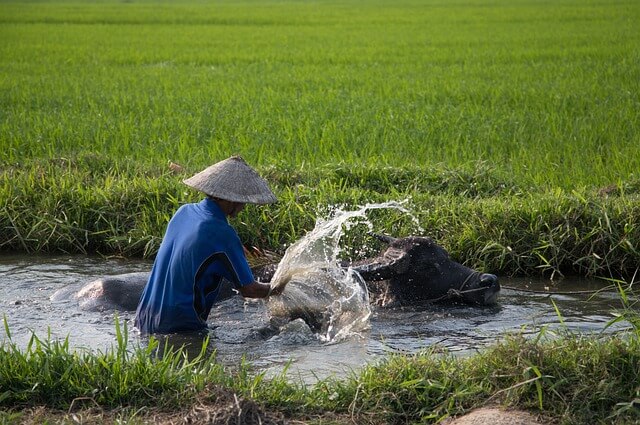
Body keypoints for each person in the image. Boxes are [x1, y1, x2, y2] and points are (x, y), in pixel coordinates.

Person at [135, 156, 283, 335]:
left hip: (144, 316)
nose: (244, 206)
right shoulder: (222, 233)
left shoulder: (183, 212)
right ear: (232, 200)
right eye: (243, 201)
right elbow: (249, 290)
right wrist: (279, 287)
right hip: (178, 326)